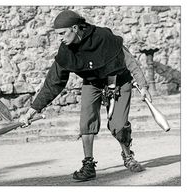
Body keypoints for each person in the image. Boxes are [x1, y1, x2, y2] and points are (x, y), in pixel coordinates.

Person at [19, 10, 152, 181]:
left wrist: (143, 85)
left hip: (119, 81)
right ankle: (88, 165)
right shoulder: (66, 50)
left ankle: (128, 156)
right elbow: (53, 83)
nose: (60, 38)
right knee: (86, 121)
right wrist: (30, 112)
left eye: (62, 33)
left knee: (118, 126)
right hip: (93, 83)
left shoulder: (103, 37)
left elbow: (130, 60)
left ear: (74, 28)